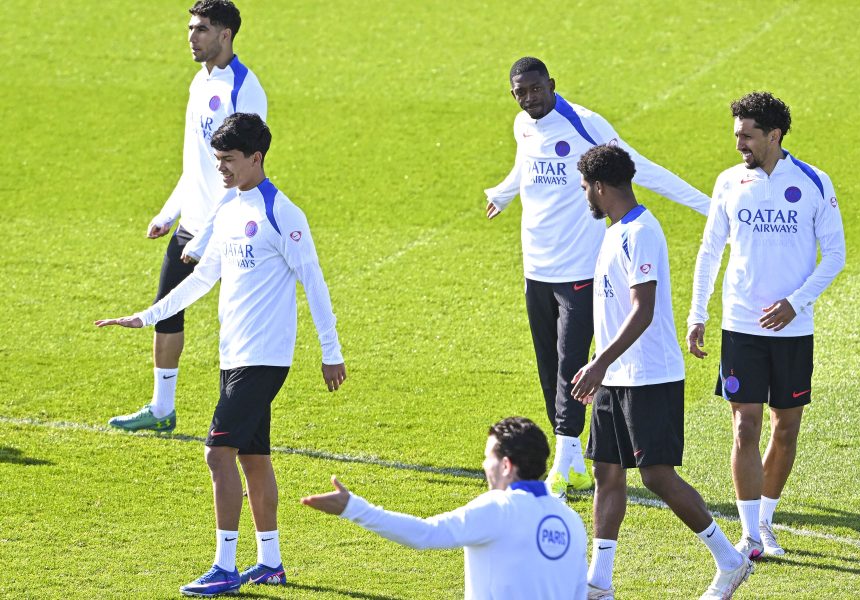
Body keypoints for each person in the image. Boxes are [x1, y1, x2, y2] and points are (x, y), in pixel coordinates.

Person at [96, 113, 346, 596]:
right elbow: (203, 278)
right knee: (253, 457)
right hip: (234, 355)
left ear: (256, 157)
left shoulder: (283, 213)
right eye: (217, 161)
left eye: (229, 161)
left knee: (217, 453)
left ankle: (225, 566)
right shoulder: (230, 206)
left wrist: (330, 352)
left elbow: (314, 283)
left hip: (264, 358)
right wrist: (146, 317)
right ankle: (270, 562)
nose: (222, 170)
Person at [484, 56, 710, 498]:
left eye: (535, 89)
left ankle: (565, 462)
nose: (529, 98)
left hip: (579, 268)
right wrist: (503, 193)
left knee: (573, 362)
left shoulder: (584, 123)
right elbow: (524, 164)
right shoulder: (522, 125)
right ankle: (571, 458)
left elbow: (636, 166)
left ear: (551, 84)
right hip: (535, 266)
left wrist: (710, 206)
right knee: (549, 368)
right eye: (520, 93)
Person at [570, 145, 752, 600]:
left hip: (648, 375)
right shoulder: (615, 232)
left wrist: (599, 361)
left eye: (585, 189)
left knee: (656, 475)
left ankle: (731, 562)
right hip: (614, 376)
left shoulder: (642, 232)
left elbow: (643, 310)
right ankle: (599, 582)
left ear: (599, 186)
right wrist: (602, 366)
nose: (585, 198)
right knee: (607, 474)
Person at [686, 91, 846, 559]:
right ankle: (751, 535)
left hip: (792, 330)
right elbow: (710, 250)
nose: (739, 145)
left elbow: (835, 254)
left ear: (774, 135)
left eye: (747, 136)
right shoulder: (728, 182)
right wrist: (698, 312)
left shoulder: (815, 182)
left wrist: (796, 303)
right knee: (744, 428)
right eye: (737, 135)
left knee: (786, 429)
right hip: (740, 325)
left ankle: (767, 521)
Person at [109, 0, 267, 434]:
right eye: (190, 28)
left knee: (237, 326)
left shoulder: (245, 90)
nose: (191, 37)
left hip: (228, 229)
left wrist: (208, 236)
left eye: (201, 29)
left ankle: (243, 421)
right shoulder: (200, 84)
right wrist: (169, 213)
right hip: (190, 227)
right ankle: (162, 409)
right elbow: (197, 163)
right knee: (165, 313)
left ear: (225, 34)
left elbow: (242, 172)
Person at [301, 417, 588, 600]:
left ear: (505, 465)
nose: (483, 465)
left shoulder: (499, 509)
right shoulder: (571, 521)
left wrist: (353, 508)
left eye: (487, 457)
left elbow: (425, 534)